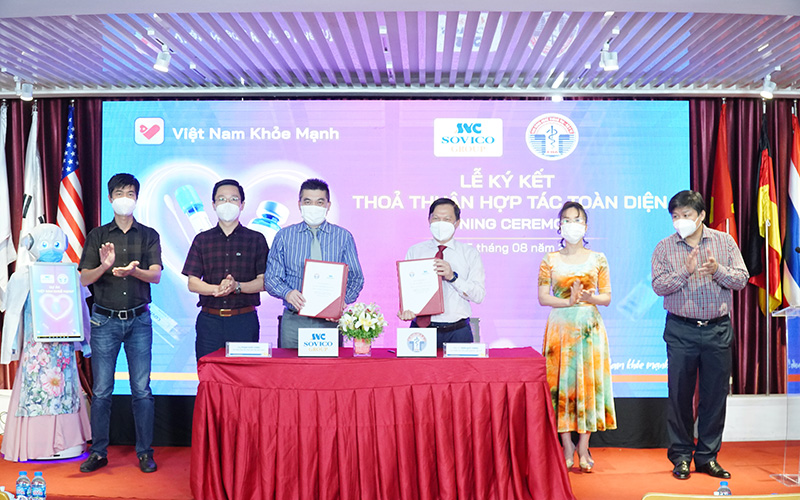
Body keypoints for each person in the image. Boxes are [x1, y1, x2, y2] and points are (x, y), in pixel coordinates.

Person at [651, 190, 748, 480]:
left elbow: (741, 279)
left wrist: (718, 270)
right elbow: (658, 286)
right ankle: (681, 456)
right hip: (681, 330)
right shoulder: (664, 247)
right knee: (679, 395)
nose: (680, 220)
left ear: (701, 215)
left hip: (717, 329)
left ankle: (707, 457)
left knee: (714, 396)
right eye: (675, 216)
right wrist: (685, 271)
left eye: (686, 215)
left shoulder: (724, 242)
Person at [78, 173, 162, 474]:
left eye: (130, 193)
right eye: (119, 193)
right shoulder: (98, 235)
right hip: (104, 321)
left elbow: (156, 275)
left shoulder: (148, 234)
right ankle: (98, 452)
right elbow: (84, 279)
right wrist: (105, 266)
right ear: (110, 198)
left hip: (139, 320)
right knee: (102, 391)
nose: (124, 198)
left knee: (142, 390)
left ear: (136, 198)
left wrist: (133, 272)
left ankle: (145, 453)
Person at [0, 224, 91, 462]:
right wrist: (9, 347)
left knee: (65, 392)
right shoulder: (23, 276)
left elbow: (81, 310)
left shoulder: (71, 275)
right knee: (36, 392)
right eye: (45, 244)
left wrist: (86, 341)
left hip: (64, 346)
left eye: (57, 244)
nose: (51, 249)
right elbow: (12, 312)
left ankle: (67, 442)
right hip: (36, 348)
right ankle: (36, 443)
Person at [538, 201, 616, 473]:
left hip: (589, 329)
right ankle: (566, 445)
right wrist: (567, 302)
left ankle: (583, 446)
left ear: (585, 225)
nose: (572, 225)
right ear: (560, 225)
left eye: (577, 219)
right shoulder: (550, 259)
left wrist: (589, 298)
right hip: (560, 327)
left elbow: (606, 297)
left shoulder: (598, 259)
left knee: (588, 384)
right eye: (567, 220)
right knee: (560, 386)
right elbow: (543, 297)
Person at [264, 178, 364, 348]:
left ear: (328, 205)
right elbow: (271, 278)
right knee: (290, 365)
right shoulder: (284, 236)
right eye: (308, 202)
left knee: (329, 366)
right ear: (299, 204)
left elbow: (356, 278)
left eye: (319, 202)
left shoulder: (343, 237)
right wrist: (287, 293)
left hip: (330, 321)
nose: (313, 207)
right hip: (294, 320)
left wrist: (341, 303)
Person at [182, 179, 268, 360]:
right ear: (213, 205)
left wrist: (237, 287)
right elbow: (193, 282)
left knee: (244, 374)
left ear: (242, 205)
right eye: (221, 199)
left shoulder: (256, 239)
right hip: (209, 322)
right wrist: (217, 289)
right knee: (208, 372)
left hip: (244, 321)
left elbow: (264, 282)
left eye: (233, 199)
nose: (227, 203)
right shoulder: (202, 240)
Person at [398, 197, 485, 349]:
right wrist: (407, 309)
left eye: (447, 219)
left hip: (458, 332)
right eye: (436, 219)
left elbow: (478, 296)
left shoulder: (469, 253)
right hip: (422, 331)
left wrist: (453, 277)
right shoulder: (415, 251)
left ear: (457, 223)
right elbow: (409, 291)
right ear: (429, 220)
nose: (440, 224)